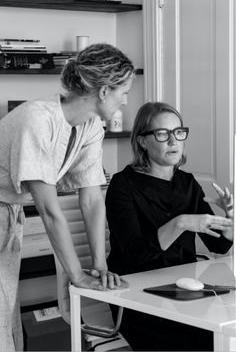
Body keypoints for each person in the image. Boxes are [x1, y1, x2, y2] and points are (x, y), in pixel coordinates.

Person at [0, 43, 134, 352]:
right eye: (123, 91)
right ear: (103, 91)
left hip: (9, 213)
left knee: (6, 313)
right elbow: (48, 209)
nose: (125, 101)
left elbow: (91, 200)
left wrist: (99, 267)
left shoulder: (90, 128)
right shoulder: (37, 118)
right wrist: (77, 276)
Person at [105, 101, 233, 351]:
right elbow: (135, 254)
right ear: (142, 141)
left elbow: (219, 244)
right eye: (162, 134)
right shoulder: (123, 185)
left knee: (225, 334)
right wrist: (180, 223)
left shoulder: (187, 182)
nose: (173, 141)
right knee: (204, 341)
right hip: (136, 295)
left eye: (178, 133)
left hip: (183, 290)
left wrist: (229, 219)